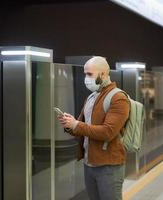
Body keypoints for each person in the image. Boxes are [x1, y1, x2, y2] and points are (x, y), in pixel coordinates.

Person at [58, 56, 130, 200]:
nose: (86, 78)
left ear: (103, 74)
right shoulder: (91, 97)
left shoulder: (118, 98)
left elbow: (108, 132)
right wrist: (69, 124)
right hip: (89, 163)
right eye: (85, 74)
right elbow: (81, 127)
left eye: (89, 74)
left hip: (109, 166)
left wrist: (77, 125)